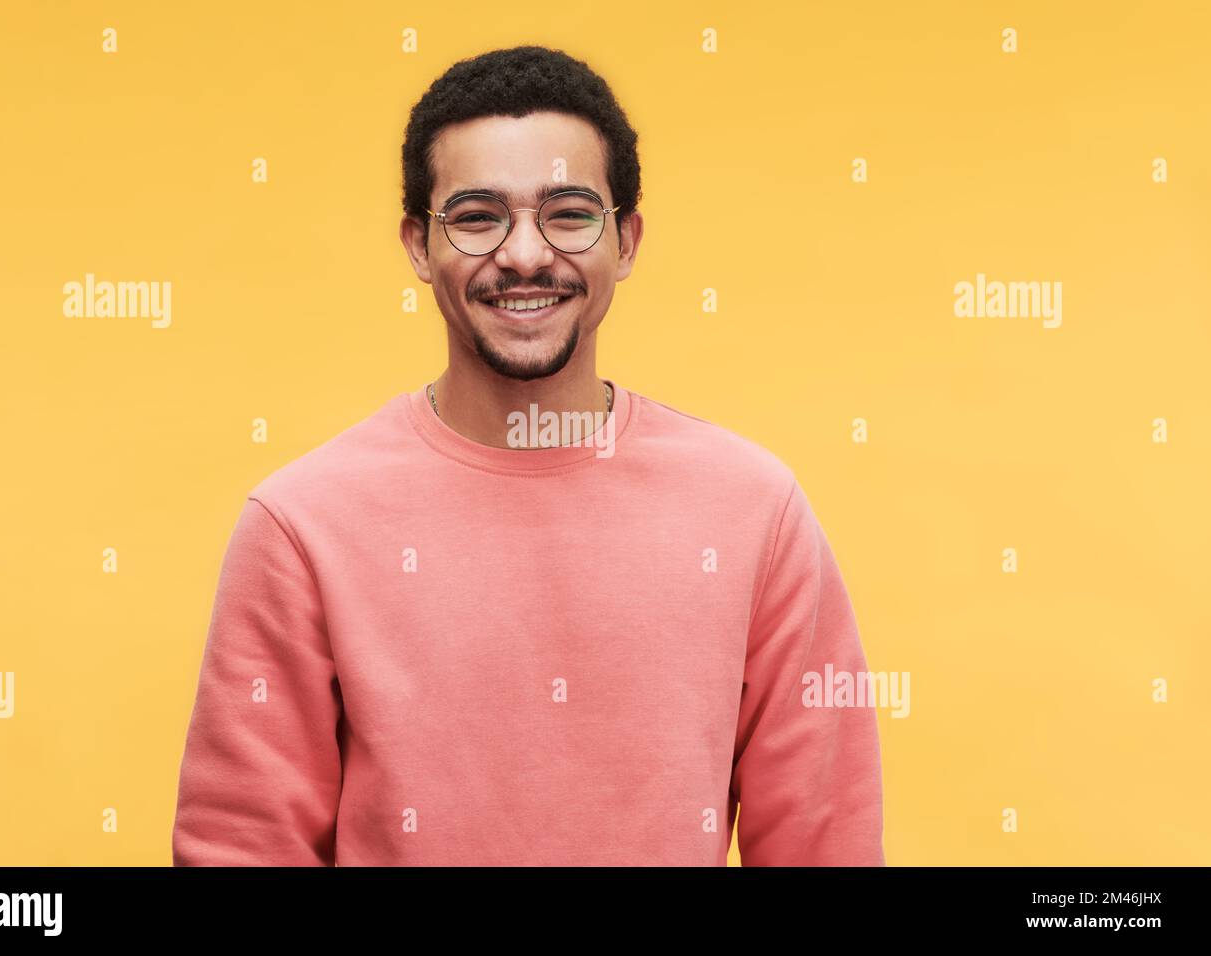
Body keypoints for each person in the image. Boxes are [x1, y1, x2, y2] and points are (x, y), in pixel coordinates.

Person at [171, 45, 884, 866]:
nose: (524, 254)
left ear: (626, 239)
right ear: (415, 244)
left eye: (569, 212)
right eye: (477, 216)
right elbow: (242, 849)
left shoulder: (755, 512)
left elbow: (823, 844)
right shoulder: (300, 526)